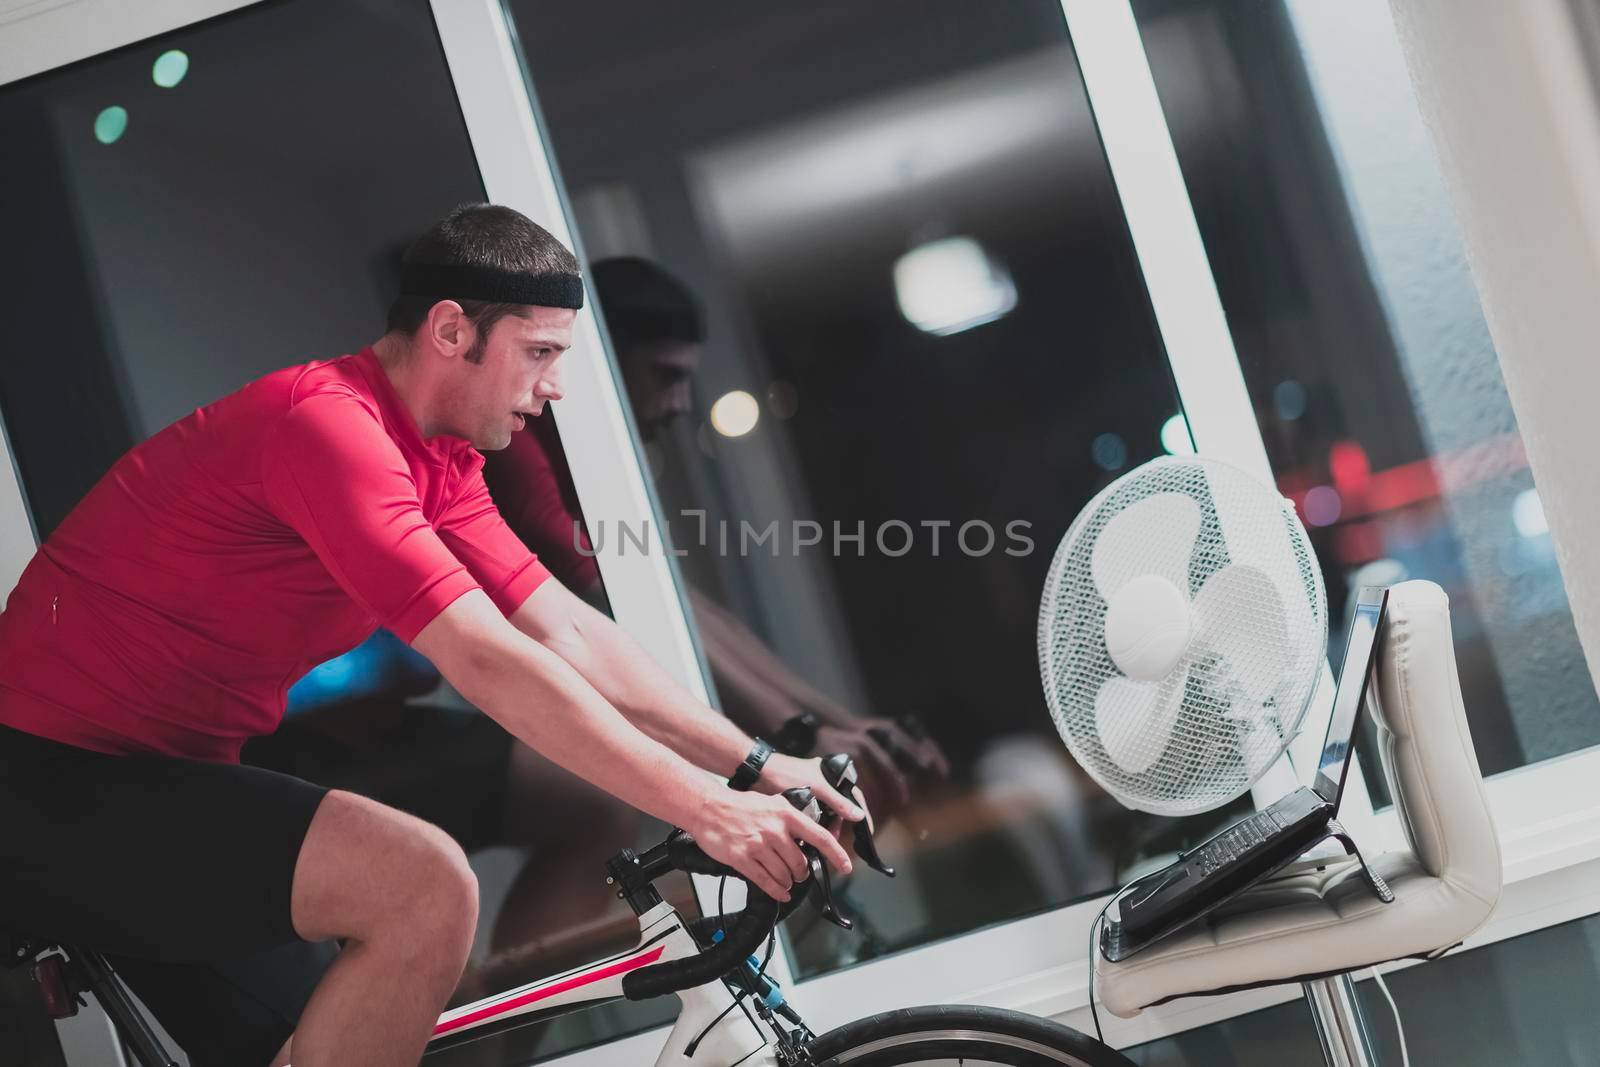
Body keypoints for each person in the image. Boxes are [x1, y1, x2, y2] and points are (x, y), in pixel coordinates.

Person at [0, 204, 862, 1067]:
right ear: (452, 329)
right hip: (53, 782)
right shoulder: (326, 427)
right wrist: (704, 805)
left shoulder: (441, 460)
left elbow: (565, 629)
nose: (555, 386)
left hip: (173, 777)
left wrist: (753, 764)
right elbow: (488, 658)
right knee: (421, 887)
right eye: (540, 352)